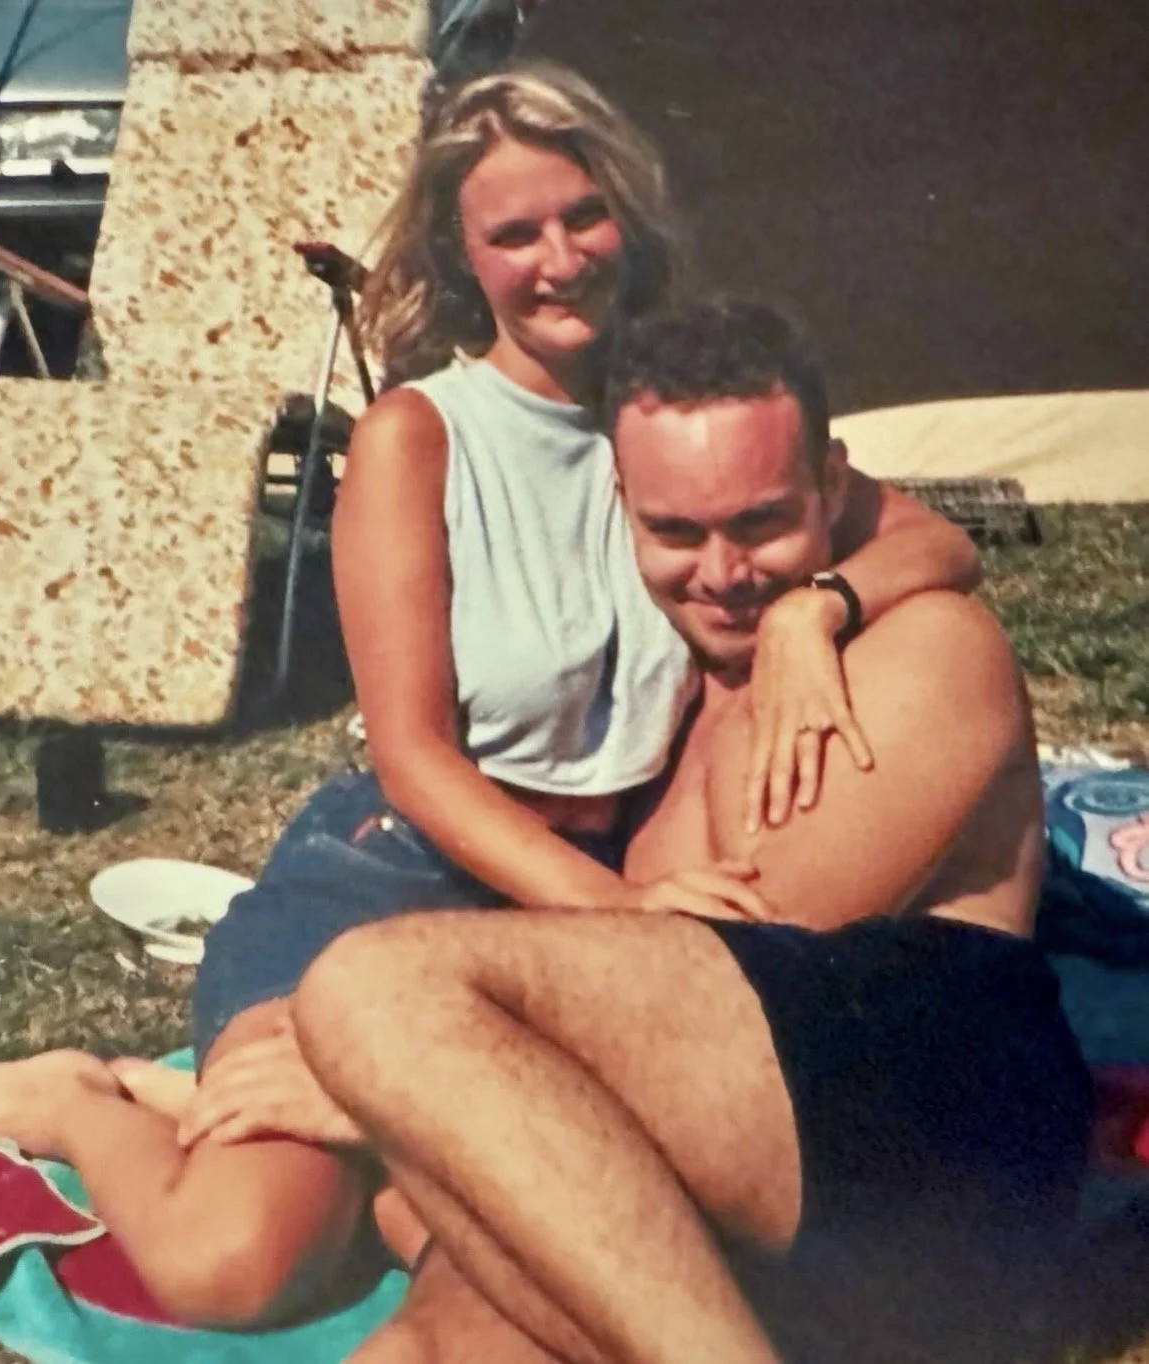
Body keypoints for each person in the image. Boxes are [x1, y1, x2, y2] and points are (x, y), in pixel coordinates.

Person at [0, 66, 979, 1330]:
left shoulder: (678, 418)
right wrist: (623, 924)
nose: (558, 259)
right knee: (240, 1264)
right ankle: (75, 1096)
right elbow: (414, 757)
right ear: (462, 253)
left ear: (628, 217)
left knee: (551, 1211)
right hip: (396, 878)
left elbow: (939, 541)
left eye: (583, 216)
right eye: (515, 232)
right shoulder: (418, 437)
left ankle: (371, 1132)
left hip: (587, 890)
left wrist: (810, 609)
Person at [287, 300, 1094, 1364]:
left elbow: (769, 950)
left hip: (937, 1128)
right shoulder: (658, 707)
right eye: (675, 532)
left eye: (761, 523)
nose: (722, 573)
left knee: (373, 992)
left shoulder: (925, 650)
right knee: (414, 1351)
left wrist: (395, 1086)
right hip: (741, 1176)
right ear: (624, 506)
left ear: (832, 486)